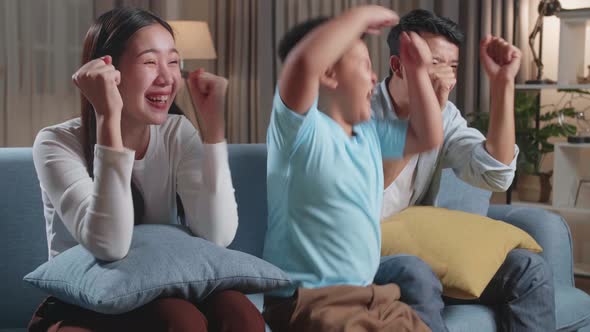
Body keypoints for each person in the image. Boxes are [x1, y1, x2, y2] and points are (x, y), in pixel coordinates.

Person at [29, 7, 265, 332]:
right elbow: (110, 245)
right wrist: (107, 118)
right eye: (150, 62)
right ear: (108, 71)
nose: (167, 78)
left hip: (163, 283)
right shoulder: (55, 143)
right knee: (181, 319)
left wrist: (213, 129)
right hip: (87, 295)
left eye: (173, 62)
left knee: (241, 312)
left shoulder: (176, 133)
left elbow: (218, 234)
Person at [262, 5, 445, 332]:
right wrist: (361, 15)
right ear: (329, 73)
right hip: (310, 301)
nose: (375, 78)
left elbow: (428, 135)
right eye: (364, 65)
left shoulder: (372, 135)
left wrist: (417, 71)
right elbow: (304, 63)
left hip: (369, 295)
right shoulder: (301, 133)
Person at [372, 9, 555, 332]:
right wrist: (428, 117)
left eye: (452, 66)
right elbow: (369, 185)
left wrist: (502, 86)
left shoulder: (445, 114)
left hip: (416, 249)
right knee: (416, 272)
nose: (446, 77)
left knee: (527, 268)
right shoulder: (360, 108)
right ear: (399, 65)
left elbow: (495, 174)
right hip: (366, 253)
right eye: (433, 64)